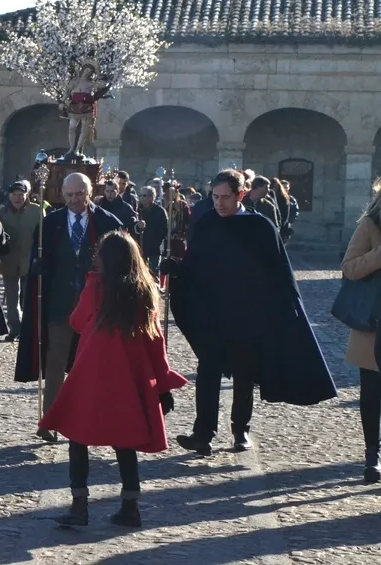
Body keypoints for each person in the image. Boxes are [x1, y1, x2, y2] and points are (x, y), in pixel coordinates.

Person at [166, 169, 336, 456]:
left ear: (241, 195)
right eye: (215, 197)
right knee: (208, 372)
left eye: (225, 197)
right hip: (212, 317)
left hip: (248, 317)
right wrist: (177, 270)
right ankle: (203, 434)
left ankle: (240, 431)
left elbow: (279, 274)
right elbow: (195, 268)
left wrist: (281, 310)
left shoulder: (260, 228)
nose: (219, 203)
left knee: (243, 375)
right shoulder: (207, 223)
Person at [40, 230, 186, 528]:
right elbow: (156, 343)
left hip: (92, 373)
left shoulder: (96, 287)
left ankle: (79, 505)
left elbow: (77, 322)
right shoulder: (144, 291)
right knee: (125, 440)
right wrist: (163, 384)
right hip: (128, 377)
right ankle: (130, 506)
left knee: (78, 437)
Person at [15, 172, 123, 442]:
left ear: (90, 192)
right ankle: (49, 420)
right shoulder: (50, 223)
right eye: (70, 195)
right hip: (60, 305)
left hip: (96, 307)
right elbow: (37, 257)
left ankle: (88, 419)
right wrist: (37, 266)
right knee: (55, 364)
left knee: (92, 364)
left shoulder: (108, 222)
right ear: (62, 195)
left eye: (80, 194)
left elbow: (122, 265)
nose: (75, 199)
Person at [340, 180, 381, 483]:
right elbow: (350, 268)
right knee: (372, 393)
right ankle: (372, 454)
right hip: (374, 323)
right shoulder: (370, 224)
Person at [0, 180, 43, 340]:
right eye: (14, 194)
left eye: (21, 195)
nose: (17, 198)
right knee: (11, 299)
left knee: (29, 297)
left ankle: (28, 329)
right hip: (9, 260)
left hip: (29, 260)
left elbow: (43, 234)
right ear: (9, 196)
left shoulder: (36, 211)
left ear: (27, 195)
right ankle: (14, 329)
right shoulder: (1, 212)